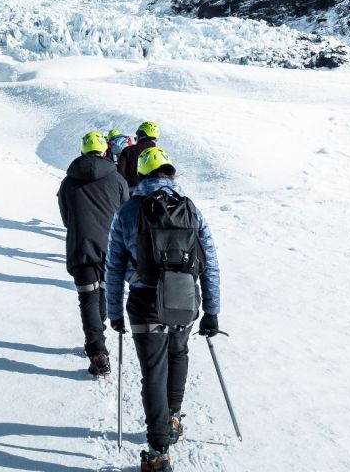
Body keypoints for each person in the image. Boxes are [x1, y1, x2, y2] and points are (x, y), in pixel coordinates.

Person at [105, 147, 221, 472]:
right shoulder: (192, 210)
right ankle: (172, 420)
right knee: (179, 354)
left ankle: (158, 453)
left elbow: (114, 266)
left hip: (144, 304)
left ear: (140, 176)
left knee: (153, 372)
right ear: (172, 174)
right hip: (184, 300)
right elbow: (209, 263)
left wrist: (113, 311)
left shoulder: (127, 211)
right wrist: (211, 311)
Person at [57, 132, 129, 377]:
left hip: (81, 246)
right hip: (111, 248)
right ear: (104, 151)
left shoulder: (68, 182)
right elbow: (126, 213)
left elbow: (66, 218)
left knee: (88, 297)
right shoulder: (117, 179)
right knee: (104, 294)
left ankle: (97, 351)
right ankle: (98, 338)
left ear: (82, 151)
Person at [116, 121, 160, 193]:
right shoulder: (160, 154)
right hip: (154, 197)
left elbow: (119, 177)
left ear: (140, 135)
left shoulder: (128, 151)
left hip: (131, 196)